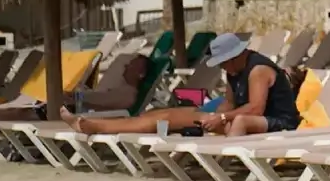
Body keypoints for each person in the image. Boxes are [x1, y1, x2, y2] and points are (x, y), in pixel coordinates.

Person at [61, 33, 301, 137]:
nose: (222, 68)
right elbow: (228, 102)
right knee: (164, 115)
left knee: (238, 119)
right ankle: (95, 126)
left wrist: (223, 119)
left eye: (224, 62)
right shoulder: (235, 70)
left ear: (236, 55)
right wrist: (209, 116)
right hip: (240, 119)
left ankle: (222, 158)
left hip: (275, 123)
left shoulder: (258, 70)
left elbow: (256, 109)